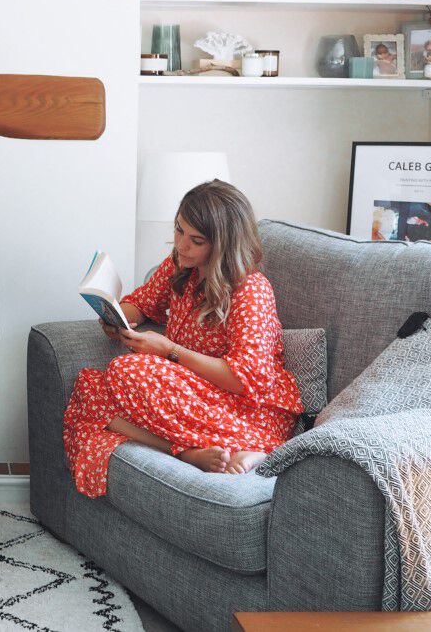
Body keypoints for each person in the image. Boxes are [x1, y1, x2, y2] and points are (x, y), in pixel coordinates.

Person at [63, 180, 303, 497]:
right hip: (188, 391)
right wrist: (118, 315)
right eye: (179, 231)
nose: (181, 245)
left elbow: (245, 380)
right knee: (90, 388)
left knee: (127, 371)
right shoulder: (181, 265)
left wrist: (169, 350)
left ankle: (259, 448)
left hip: (246, 407)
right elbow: (144, 303)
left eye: (196, 240)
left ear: (222, 244)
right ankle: (188, 452)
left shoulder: (250, 290)